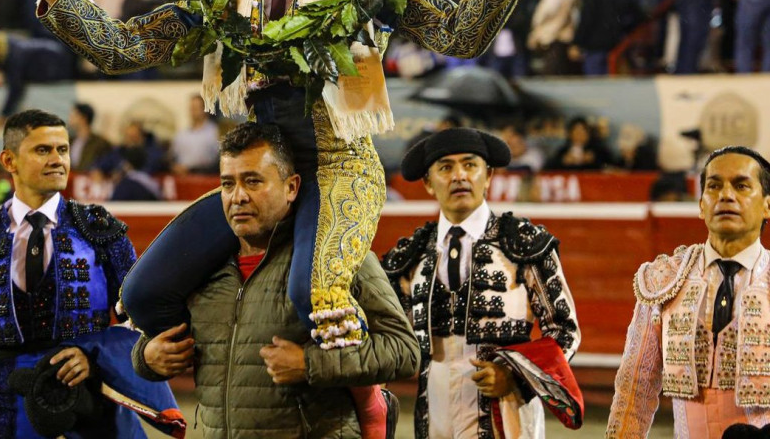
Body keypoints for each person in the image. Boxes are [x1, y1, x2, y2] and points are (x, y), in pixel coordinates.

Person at [7, 0, 537, 352]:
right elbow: (124, 49)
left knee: (320, 301)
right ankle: (226, 359)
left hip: (338, 164)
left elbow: (456, 35)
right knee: (143, 296)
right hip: (259, 176)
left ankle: (373, 405)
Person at [132, 122, 420, 437]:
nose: (238, 196)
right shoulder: (204, 267)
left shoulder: (333, 256)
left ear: (291, 187)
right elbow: (163, 340)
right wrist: (147, 358)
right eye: (228, 184)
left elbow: (403, 351)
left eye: (253, 181)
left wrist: (310, 364)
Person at [0, 109, 180, 438]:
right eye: (43, 150)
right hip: (13, 412)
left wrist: (94, 353)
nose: (57, 159)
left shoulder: (99, 230)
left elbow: (141, 319)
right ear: (9, 161)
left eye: (63, 149)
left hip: (95, 403)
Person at [382, 127, 583, 438]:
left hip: (507, 408)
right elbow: (389, 336)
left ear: (488, 176)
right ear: (428, 183)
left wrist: (516, 376)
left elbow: (565, 330)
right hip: (433, 410)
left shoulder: (522, 242)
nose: (459, 176)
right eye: (445, 167)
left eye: (470, 165)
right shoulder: (410, 255)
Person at [606, 146, 770, 437]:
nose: (726, 195)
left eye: (742, 185)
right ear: (701, 204)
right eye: (714, 186)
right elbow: (635, 389)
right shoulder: (665, 280)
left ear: (767, 205)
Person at [68, 102, 113, 172]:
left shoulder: (100, 142)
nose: (70, 118)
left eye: (74, 116)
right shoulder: (70, 140)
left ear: (83, 118)